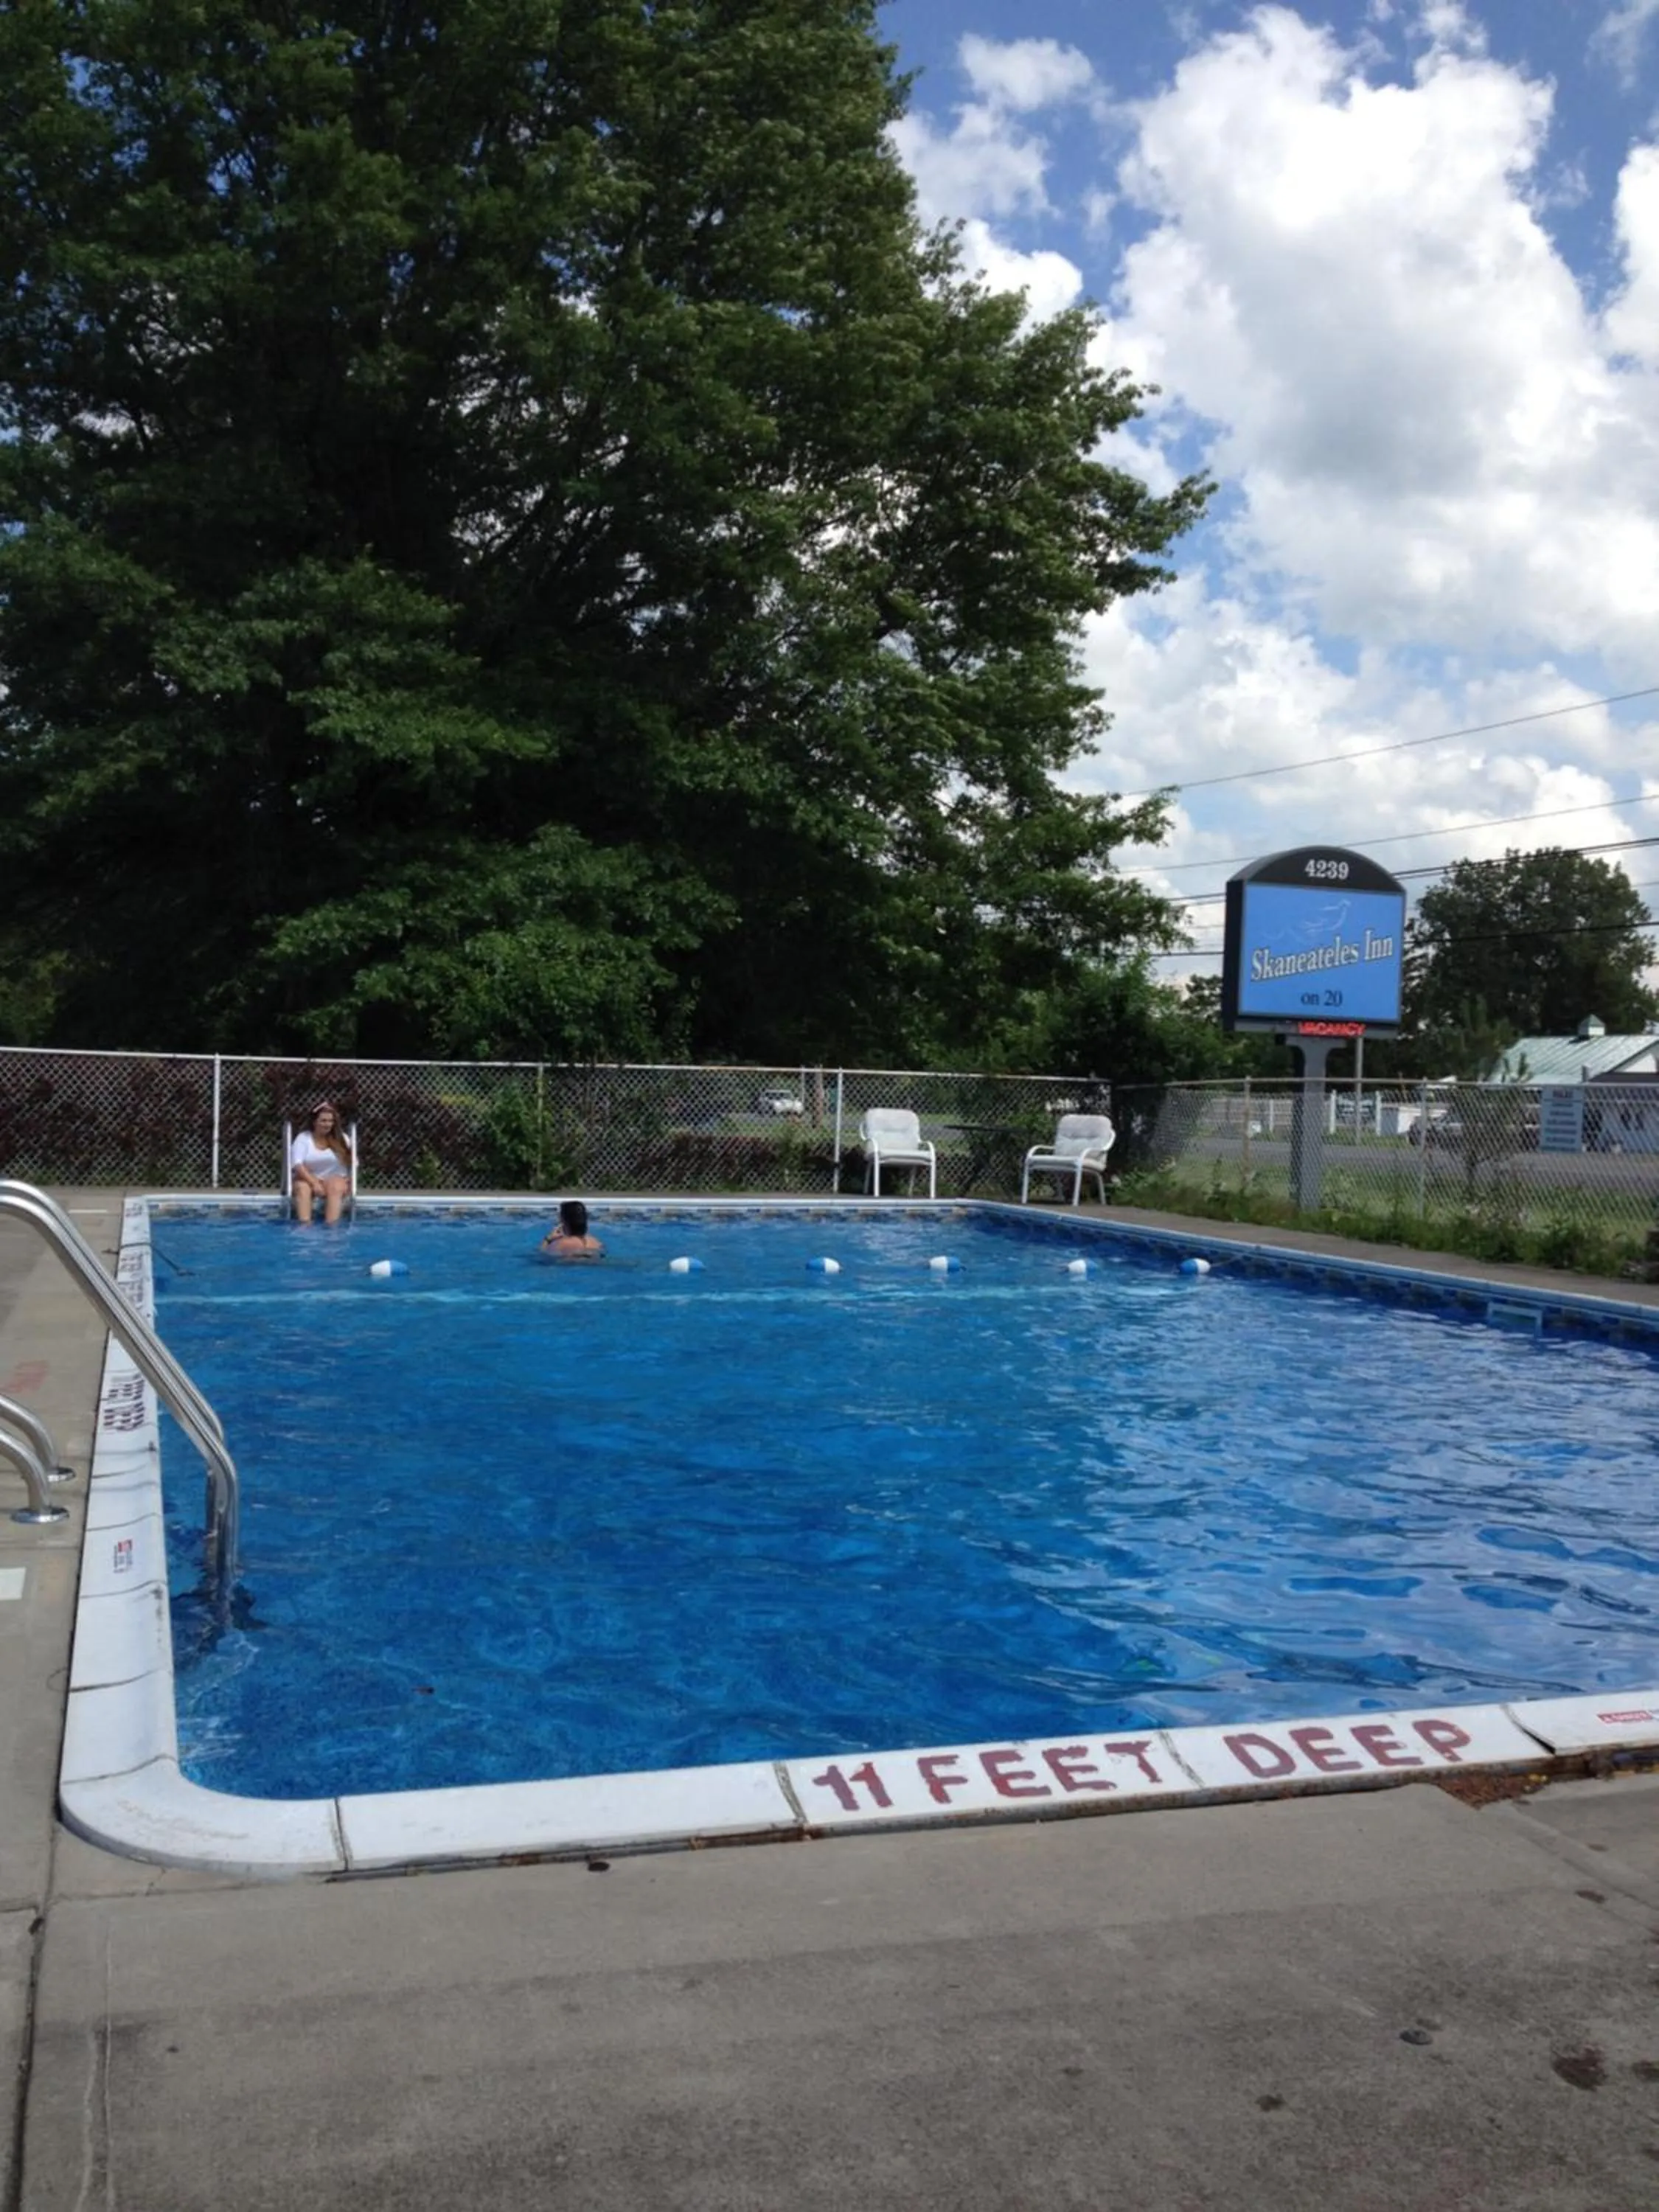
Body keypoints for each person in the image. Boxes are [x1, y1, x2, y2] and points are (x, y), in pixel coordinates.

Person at [291, 1102, 352, 1225]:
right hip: (309, 1178)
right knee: (302, 1188)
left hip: (335, 1178)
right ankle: (304, 1227)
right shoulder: (304, 1139)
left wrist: (349, 1180)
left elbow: (353, 1163)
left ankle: (331, 1228)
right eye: (323, 1121)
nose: (328, 1124)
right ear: (314, 1122)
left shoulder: (342, 1139)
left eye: (330, 1121)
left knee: (335, 1186)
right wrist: (314, 1183)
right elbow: (297, 1164)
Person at [540, 1199, 604, 1259]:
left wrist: (548, 1240)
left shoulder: (562, 1244)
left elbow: (543, 1256)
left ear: (563, 1220)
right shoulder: (596, 1242)